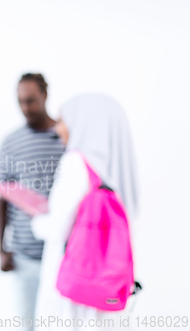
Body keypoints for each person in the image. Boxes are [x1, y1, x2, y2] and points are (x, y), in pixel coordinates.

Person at [31, 94, 138, 330]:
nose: (57, 128)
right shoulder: (118, 167)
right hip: (108, 292)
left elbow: (57, 229)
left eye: (62, 120)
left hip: (74, 294)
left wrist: (36, 220)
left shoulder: (75, 163)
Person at [0, 73, 65, 329]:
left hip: (61, 253)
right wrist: (2, 248)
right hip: (24, 255)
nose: (26, 108)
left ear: (45, 96)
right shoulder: (11, 143)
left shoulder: (65, 138)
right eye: (21, 101)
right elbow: (3, 199)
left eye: (32, 101)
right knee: (26, 323)